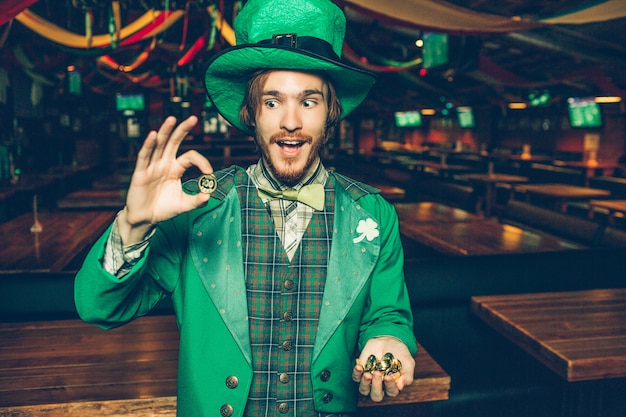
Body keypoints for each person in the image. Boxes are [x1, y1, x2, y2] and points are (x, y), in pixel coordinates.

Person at [74, 0, 417, 416]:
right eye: (272, 102)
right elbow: (100, 308)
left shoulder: (374, 215)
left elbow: (388, 314)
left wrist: (390, 340)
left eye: (308, 101)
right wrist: (133, 224)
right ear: (251, 114)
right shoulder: (197, 209)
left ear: (331, 112)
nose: (290, 121)